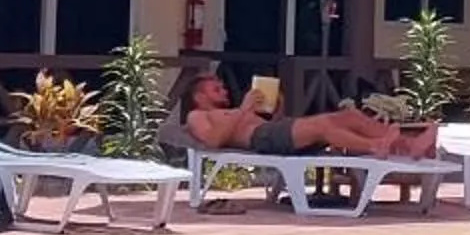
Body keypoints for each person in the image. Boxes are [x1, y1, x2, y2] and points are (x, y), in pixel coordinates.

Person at [177, 75, 434, 158]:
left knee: (349, 116)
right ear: (199, 97)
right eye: (216, 89)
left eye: (222, 87)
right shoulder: (197, 116)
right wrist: (244, 109)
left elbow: (278, 127)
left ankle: (408, 146)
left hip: (275, 133)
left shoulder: (230, 112)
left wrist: (277, 107)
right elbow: (212, 141)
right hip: (261, 139)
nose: (223, 91)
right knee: (324, 125)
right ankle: (376, 146)